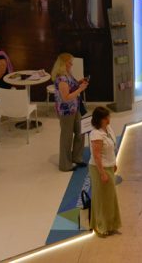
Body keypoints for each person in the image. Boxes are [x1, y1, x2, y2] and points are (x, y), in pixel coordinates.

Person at [51, 53, 89, 171]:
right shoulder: (61, 78)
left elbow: (71, 87)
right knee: (66, 137)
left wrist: (79, 82)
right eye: (69, 62)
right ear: (63, 64)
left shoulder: (68, 73)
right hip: (66, 111)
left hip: (75, 107)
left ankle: (77, 157)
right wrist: (80, 89)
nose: (71, 64)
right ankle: (65, 164)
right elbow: (66, 97)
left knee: (80, 132)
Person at [88, 106, 121, 237]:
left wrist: (113, 163)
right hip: (99, 169)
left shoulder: (108, 129)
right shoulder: (96, 134)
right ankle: (101, 226)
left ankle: (111, 224)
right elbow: (96, 156)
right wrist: (102, 173)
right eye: (106, 117)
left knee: (110, 197)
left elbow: (111, 148)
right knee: (102, 198)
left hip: (108, 166)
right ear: (100, 119)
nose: (109, 119)